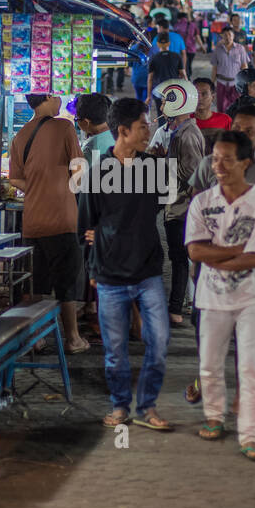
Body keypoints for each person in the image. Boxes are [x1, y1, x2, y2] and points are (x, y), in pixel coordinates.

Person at [79, 97, 173, 430]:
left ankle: (147, 405)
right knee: (115, 350)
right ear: (123, 131)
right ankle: (120, 406)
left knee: (159, 342)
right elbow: (85, 226)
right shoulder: (97, 172)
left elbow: (161, 208)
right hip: (109, 275)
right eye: (143, 126)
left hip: (148, 271)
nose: (149, 130)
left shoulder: (156, 168)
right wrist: (93, 268)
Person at [186, 130, 255, 461]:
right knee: (209, 364)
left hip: (253, 296)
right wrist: (237, 249)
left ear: (245, 163)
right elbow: (194, 251)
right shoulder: (202, 202)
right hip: (210, 296)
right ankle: (214, 416)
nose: (218, 165)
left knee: (251, 367)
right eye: (214, 158)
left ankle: (251, 435)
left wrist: (217, 253)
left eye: (226, 159)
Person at [188, 103, 255, 370]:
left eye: (249, 130)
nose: (241, 134)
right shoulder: (210, 164)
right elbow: (196, 204)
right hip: (213, 251)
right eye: (237, 128)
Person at [8, 93, 90, 353]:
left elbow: (14, 179)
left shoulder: (20, 136)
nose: (61, 103)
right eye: (57, 96)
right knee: (66, 283)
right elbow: (79, 170)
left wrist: (37, 188)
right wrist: (66, 188)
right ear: (46, 98)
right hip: (62, 218)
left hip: (33, 220)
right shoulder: (64, 127)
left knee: (37, 283)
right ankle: (73, 339)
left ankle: (37, 337)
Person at [153, 78, 205, 327]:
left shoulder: (186, 135)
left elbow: (195, 175)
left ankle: (177, 308)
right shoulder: (180, 132)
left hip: (183, 208)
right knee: (178, 258)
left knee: (180, 259)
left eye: (166, 100)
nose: (162, 104)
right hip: (177, 205)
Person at [211, 26, 251, 113]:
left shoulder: (240, 48)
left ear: (233, 35)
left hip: (236, 83)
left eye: (229, 34)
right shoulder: (217, 49)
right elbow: (214, 68)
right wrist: (211, 83)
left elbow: (244, 66)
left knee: (236, 108)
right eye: (225, 35)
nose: (227, 37)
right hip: (221, 82)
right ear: (222, 36)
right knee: (221, 108)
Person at [146, 35, 186, 105]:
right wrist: (186, 91)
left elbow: (150, 79)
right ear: (169, 43)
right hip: (174, 91)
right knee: (173, 113)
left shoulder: (153, 58)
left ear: (158, 44)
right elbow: (183, 75)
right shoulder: (177, 56)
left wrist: (149, 96)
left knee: (160, 113)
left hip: (159, 91)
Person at [74, 92, 114, 160]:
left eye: (76, 119)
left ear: (86, 122)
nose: (76, 121)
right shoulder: (117, 133)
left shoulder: (90, 147)